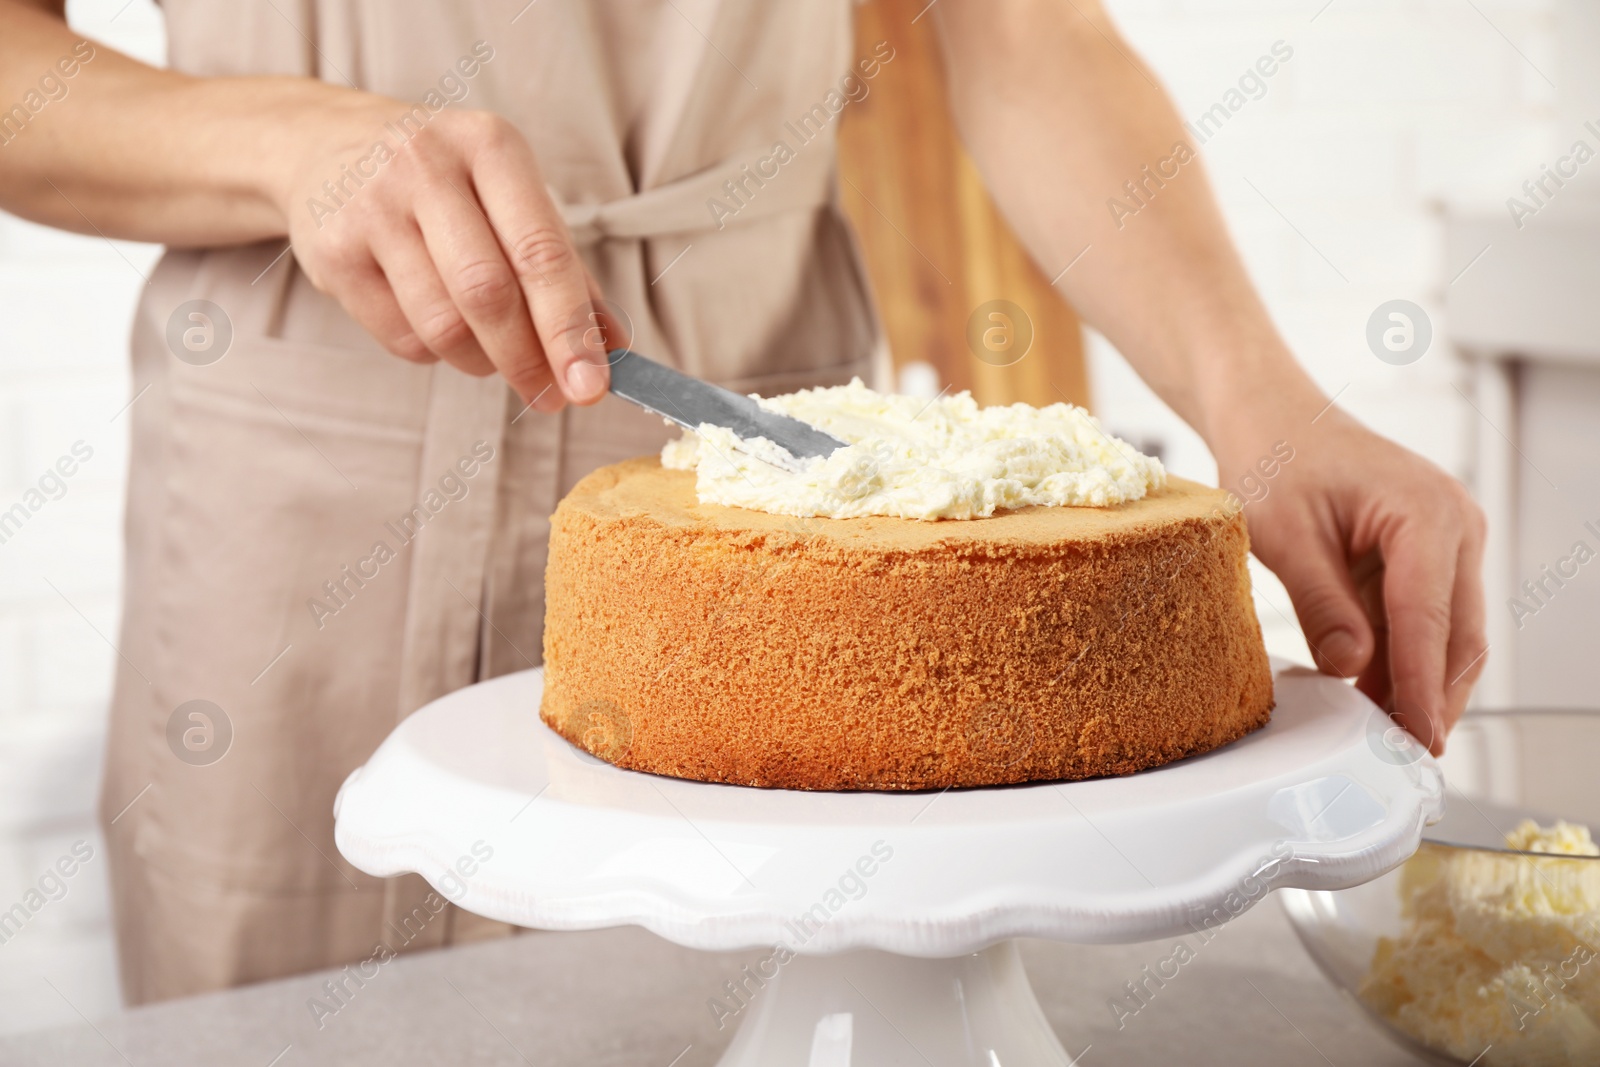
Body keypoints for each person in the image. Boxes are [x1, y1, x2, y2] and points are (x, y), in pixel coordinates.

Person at [0, 0, 1485, 1004]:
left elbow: (1021, 29)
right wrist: (282, 141)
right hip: (295, 443)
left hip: (768, 452)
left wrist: (1265, 407)